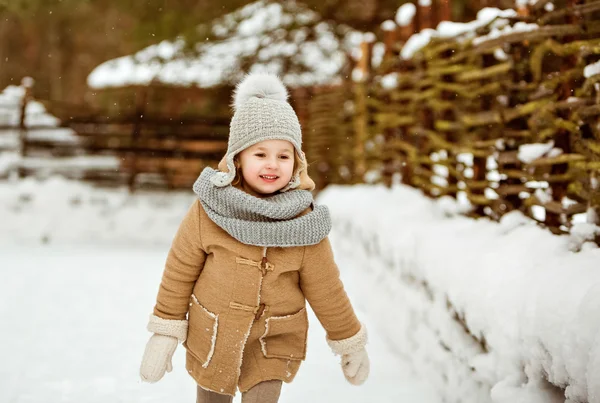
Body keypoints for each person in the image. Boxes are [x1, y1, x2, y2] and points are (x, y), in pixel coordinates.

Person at [139, 72, 369, 403]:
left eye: (284, 155)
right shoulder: (210, 209)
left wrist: (349, 339)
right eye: (260, 154)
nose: (272, 164)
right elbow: (180, 268)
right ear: (237, 159)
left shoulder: (305, 223)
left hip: (273, 339)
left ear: (297, 161)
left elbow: (326, 288)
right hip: (214, 331)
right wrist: (165, 329)